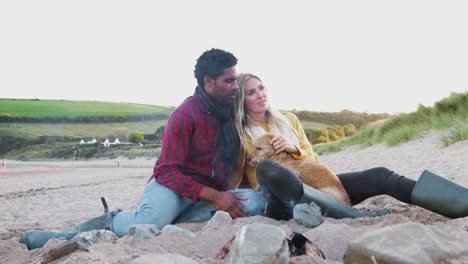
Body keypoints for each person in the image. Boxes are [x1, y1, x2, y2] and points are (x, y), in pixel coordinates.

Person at [19, 49, 265, 250]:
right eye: (229, 80)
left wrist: (229, 192)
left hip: (208, 193)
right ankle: (73, 231)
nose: (236, 86)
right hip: (174, 188)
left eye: (236, 78)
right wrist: (215, 196)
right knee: (150, 220)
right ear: (209, 82)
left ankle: (169, 219)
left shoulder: (234, 111)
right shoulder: (185, 115)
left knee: (253, 202)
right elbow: (166, 171)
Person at [230, 73, 468, 220]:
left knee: (381, 175)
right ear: (242, 100)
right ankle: (349, 213)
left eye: (261, 88)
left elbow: (313, 158)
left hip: (321, 191)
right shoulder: (239, 133)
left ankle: (462, 203)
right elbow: (241, 174)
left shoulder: (289, 120)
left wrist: (294, 149)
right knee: (269, 169)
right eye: (251, 92)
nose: (260, 95)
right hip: (283, 201)